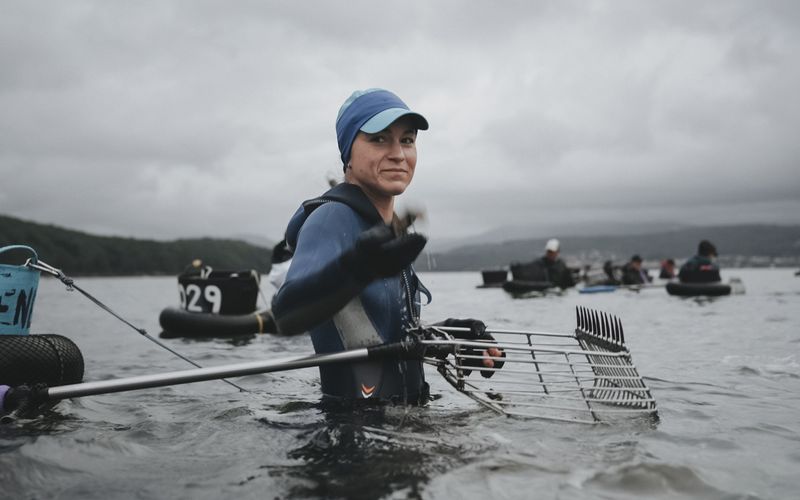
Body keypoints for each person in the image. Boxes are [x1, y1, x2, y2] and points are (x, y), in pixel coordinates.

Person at [271, 88, 503, 404]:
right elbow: (286, 315)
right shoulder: (331, 219)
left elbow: (377, 332)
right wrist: (357, 268)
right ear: (348, 153)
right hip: (352, 438)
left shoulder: (380, 233)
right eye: (379, 139)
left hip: (400, 429)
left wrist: (444, 336)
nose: (398, 153)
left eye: (407, 140)